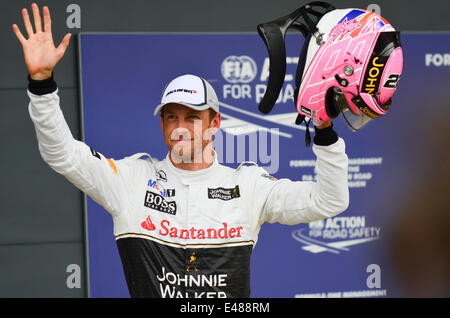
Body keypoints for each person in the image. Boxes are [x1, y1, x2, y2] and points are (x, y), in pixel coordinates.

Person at [13, 4, 349, 298]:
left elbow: (330, 200)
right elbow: (62, 154)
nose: (180, 126)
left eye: (192, 116)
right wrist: (42, 83)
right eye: (171, 117)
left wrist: (323, 129)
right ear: (161, 124)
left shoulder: (248, 186)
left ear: (215, 122)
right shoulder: (131, 180)